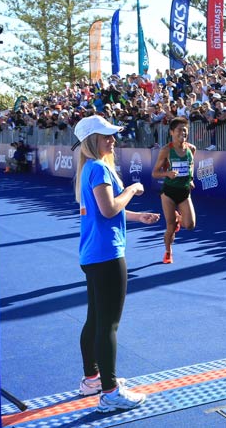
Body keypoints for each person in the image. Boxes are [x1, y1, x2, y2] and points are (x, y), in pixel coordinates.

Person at [73, 115, 159, 411]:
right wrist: (133, 190)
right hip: (107, 254)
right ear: (92, 141)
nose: (112, 140)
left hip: (93, 253)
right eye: (106, 136)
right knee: (108, 324)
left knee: (95, 320)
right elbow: (109, 209)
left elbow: (103, 210)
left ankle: (92, 379)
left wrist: (137, 216)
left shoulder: (88, 169)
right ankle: (109, 392)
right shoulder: (98, 168)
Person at [152, 117, 197, 264]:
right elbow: (155, 173)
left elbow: (191, 165)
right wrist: (167, 174)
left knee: (190, 225)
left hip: (184, 192)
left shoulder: (191, 148)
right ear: (171, 132)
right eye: (179, 130)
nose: (182, 132)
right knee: (170, 226)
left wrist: (191, 179)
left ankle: (179, 218)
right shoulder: (166, 150)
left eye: (185, 130)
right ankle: (168, 251)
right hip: (169, 192)